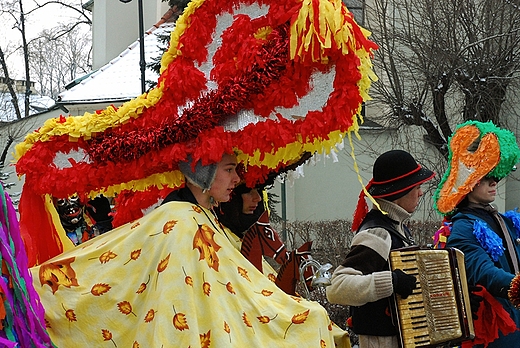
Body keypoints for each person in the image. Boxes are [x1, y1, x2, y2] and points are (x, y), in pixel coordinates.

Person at [30, 152, 350, 347]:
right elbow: (178, 302)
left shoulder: (200, 215)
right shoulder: (180, 220)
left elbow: (230, 288)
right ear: (202, 173)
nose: (238, 178)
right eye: (229, 169)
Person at [326, 149, 435, 348]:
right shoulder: (378, 233)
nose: (421, 192)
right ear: (399, 192)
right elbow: (337, 288)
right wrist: (390, 281)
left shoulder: (397, 228)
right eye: (416, 186)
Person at [434, 120, 520, 347]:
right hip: (494, 332)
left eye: (496, 177)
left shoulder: (504, 220)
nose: (494, 183)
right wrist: (517, 287)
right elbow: (484, 272)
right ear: (468, 184)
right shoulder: (463, 227)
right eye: (485, 177)